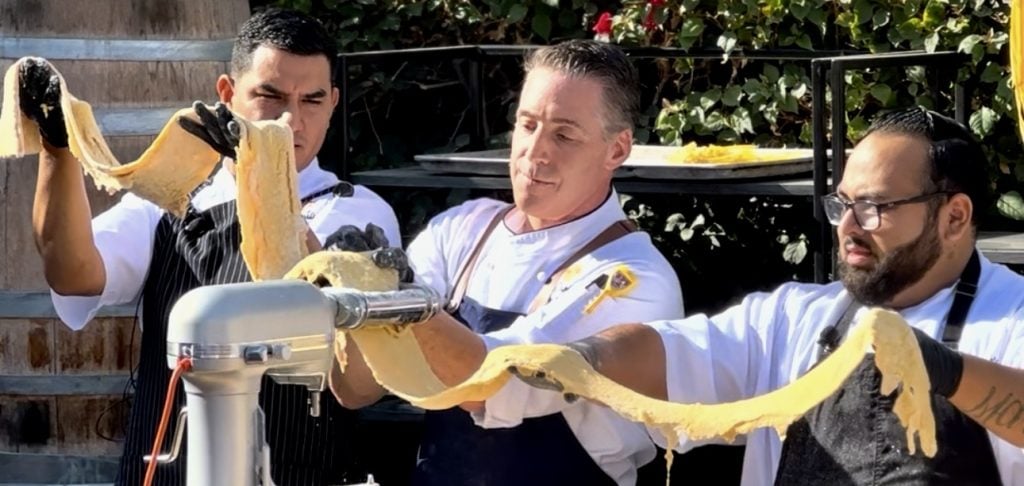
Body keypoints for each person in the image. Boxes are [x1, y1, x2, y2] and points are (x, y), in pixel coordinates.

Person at [515, 107, 1024, 485]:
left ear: (954, 217)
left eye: (873, 207)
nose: (846, 227)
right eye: (842, 204)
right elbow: (669, 349)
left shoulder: (1011, 316)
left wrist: (946, 370)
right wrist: (580, 356)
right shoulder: (795, 317)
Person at [21, 8, 400, 486]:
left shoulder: (355, 212)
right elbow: (72, 272)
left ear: (333, 104)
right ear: (227, 94)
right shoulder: (170, 201)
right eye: (270, 95)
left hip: (294, 472)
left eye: (313, 101)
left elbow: (347, 362)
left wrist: (263, 179)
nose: (291, 120)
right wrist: (58, 149)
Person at [329, 39, 685, 486]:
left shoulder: (632, 279)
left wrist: (397, 303)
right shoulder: (461, 230)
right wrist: (352, 291)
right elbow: (355, 389)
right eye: (528, 124)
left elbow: (499, 385)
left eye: (564, 135)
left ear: (617, 149)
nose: (535, 152)